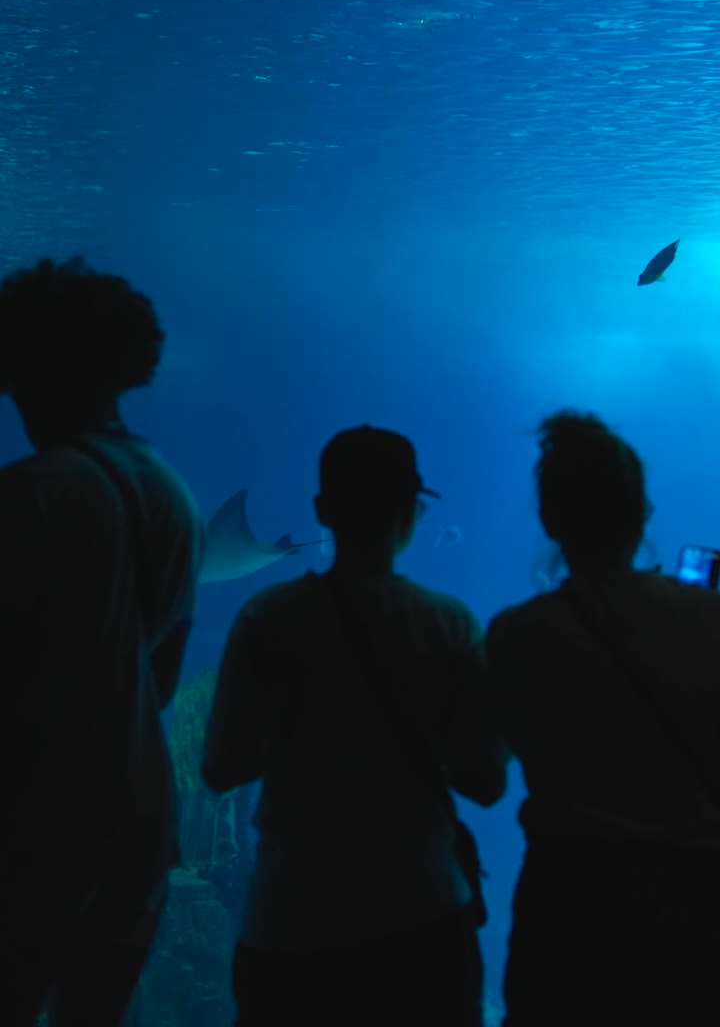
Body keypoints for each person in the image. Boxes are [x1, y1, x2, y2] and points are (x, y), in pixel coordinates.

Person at [203, 424, 506, 1027]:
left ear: (324, 509)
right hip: (419, 912)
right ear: (413, 511)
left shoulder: (269, 618)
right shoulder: (446, 624)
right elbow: (486, 781)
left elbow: (220, 768)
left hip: (292, 916)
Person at [0, 257, 205, 1027]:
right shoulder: (171, 493)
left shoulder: (31, 496)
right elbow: (161, 678)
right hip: (136, 822)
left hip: (29, 822)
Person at [486, 410, 720, 1027]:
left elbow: (482, 778)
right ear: (643, 512)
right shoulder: (709, 620)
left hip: (567, 915)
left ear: (549, 517)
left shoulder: (519, 634)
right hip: (693, 912)